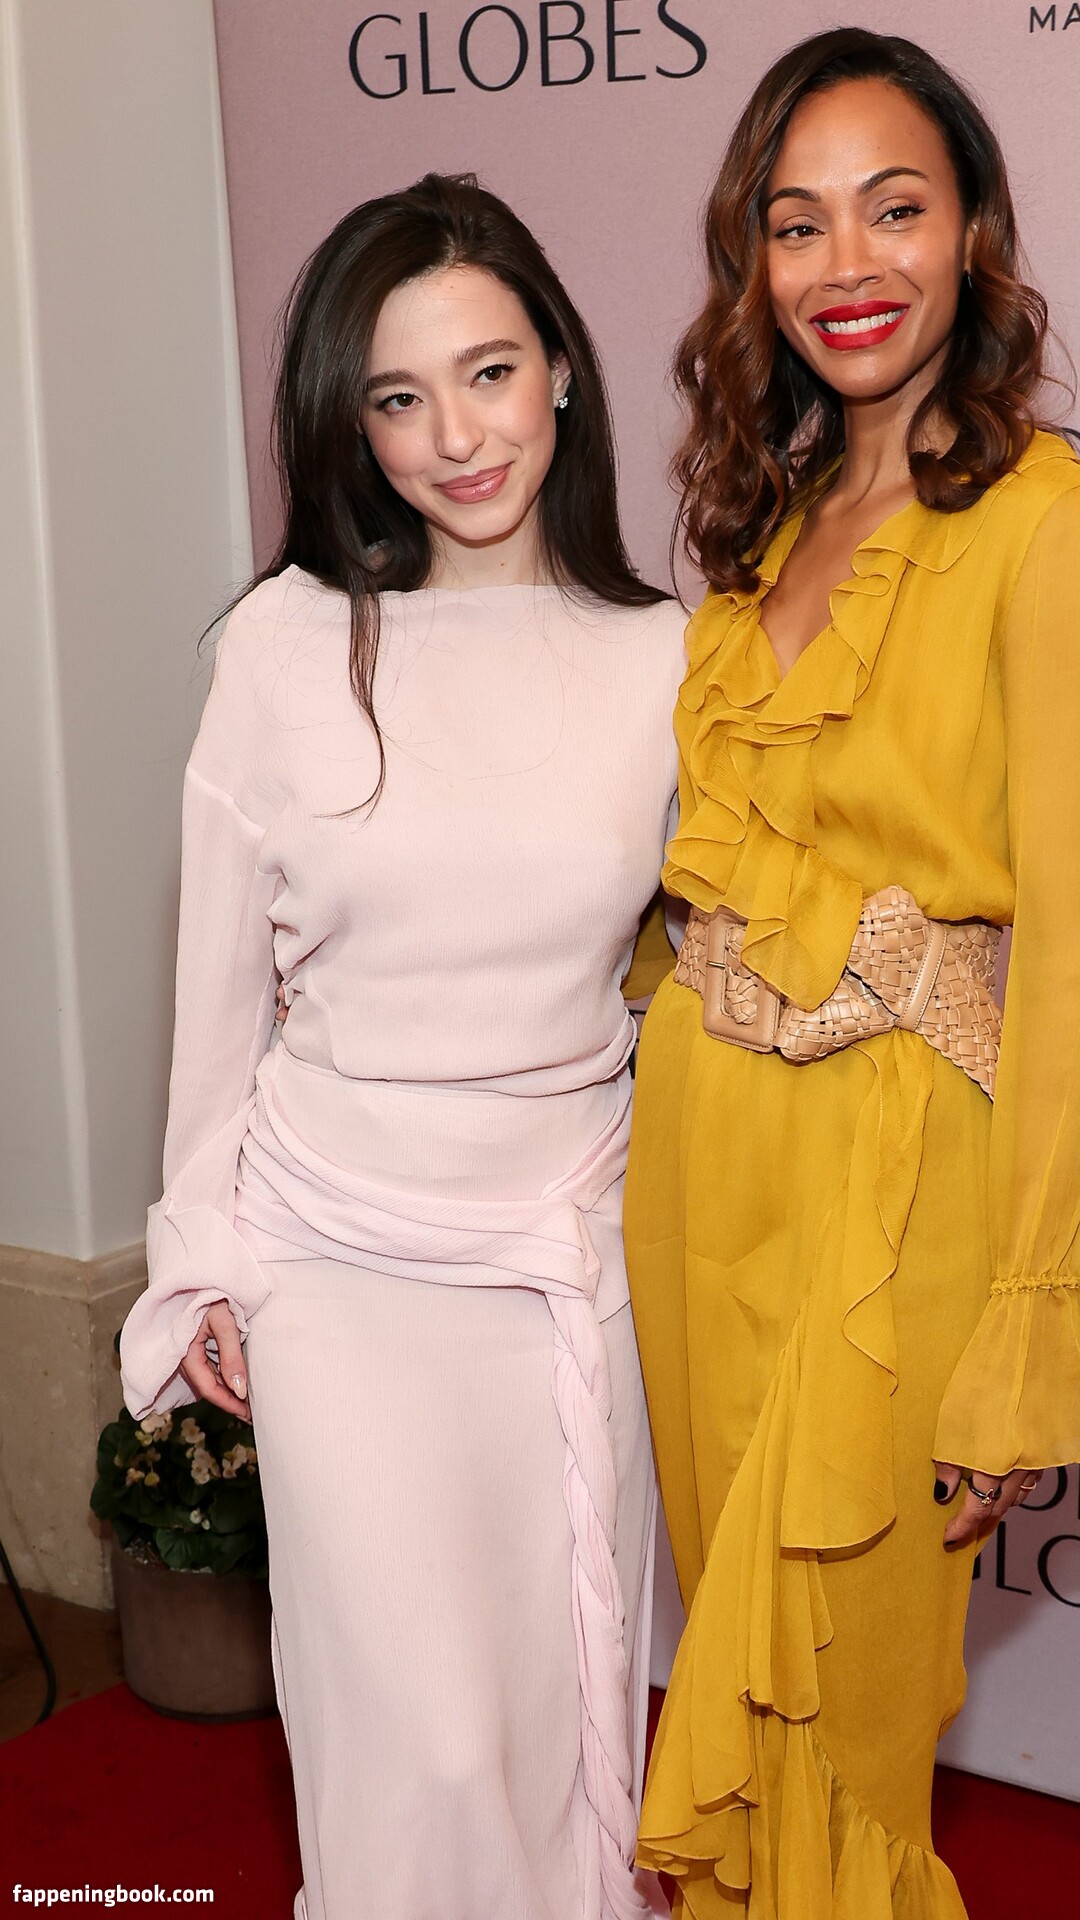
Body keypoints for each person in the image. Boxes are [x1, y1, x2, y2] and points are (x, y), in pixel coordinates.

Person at [119, 173, 684, 1920]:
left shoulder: (670, 659)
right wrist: (198, 1255)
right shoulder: (282, 647)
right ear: (351, 428)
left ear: (562, 369)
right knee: (413, 1748)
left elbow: (705, 977)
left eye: (490, 372)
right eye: (397, 396)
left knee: (560, 1706)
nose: (456, 436)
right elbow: (219, 992)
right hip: (337, 1265)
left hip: (570, 1257)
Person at [623, 28, 1080, 1918]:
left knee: (843, 1728)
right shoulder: (756, 528)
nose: (845, 263)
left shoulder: (1047, 526)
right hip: (702, 1164)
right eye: (796, 223)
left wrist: (1027, 1310)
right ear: (752, 264)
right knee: (727, 1693)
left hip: (901, 1194)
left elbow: (1070, 957)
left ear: (972, 234)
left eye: (892, 209)